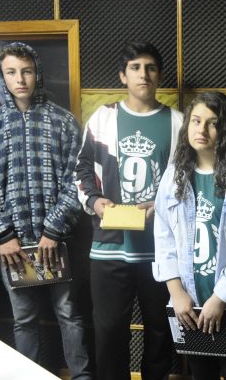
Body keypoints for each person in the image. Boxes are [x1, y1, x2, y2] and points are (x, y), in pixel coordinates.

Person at [0, 42, 91, 378]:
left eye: (26, 71)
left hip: (57, 243)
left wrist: (54, 229)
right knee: (23, 319)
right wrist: (2, 236)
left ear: (37, 72)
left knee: (70, 315)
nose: (20, 79)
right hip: (14, 248)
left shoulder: (63, 122)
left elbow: (76, 183)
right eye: (11, 72)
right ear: (2, 76)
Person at [74, 41, 183, 380]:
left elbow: (187, 181)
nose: (143, 74)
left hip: (160, 252)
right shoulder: (103, 118)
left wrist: (161, 204)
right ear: (123, 76)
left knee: (161, 332)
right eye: (135, 68)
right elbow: (81, 169)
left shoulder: (178, 122)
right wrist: (94, 202)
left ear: (159, 75)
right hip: (109, 248)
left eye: (150, 68)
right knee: (109, 333)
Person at [153, 91, 226, 380]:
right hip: (190, 305)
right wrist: (176, 293)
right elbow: (163, 237)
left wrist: (220, 298)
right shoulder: (173, 177)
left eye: (212, 123)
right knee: (200, 374)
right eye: (196, 121)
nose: (201, 129)